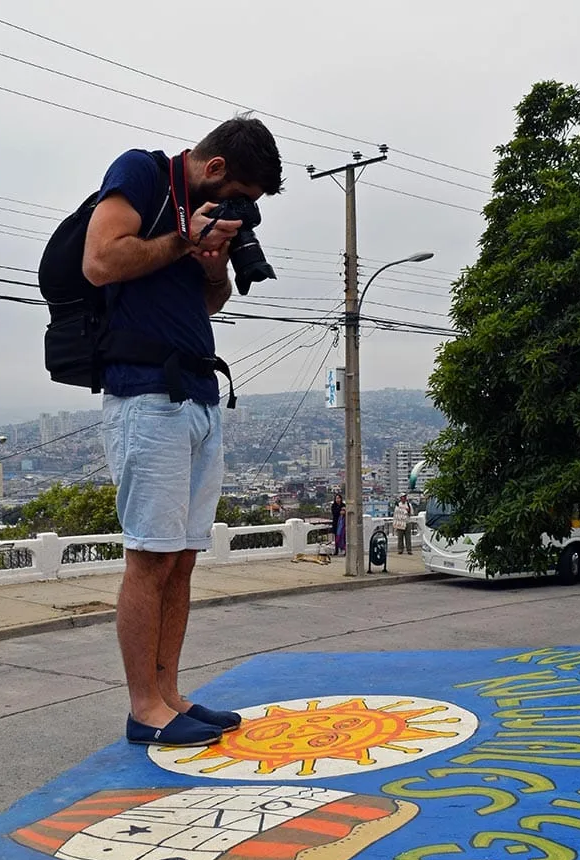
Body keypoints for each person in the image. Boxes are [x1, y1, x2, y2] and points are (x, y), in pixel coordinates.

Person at [83, 117, 283, 747]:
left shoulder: (195, 217)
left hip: (197, 393)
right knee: (150, 557)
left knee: (183, 559)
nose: (241, 210)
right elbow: (99, 261)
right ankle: (144, 708)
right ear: (216, 168)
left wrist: (213, 261)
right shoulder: (142, 173)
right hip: (146, 398)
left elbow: (209, 304)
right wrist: (180, 238)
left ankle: (170, 694)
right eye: (242, 198)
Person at [330, 491, 345, 556]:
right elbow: (334, 513)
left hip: (343, 523)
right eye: (336, 498)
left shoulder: (343, 505)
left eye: (339, 498)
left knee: (343, 537)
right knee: (336, 537)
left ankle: (344, 550)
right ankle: (336, 551)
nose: (338, 500)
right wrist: (340, 511)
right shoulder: (333, 506)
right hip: (336, 523)